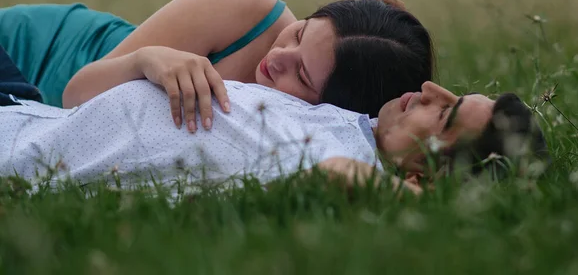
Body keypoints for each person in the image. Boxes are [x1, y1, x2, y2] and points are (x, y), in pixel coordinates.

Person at [0, 74, 549, 195]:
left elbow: (332, 174)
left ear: (419, 174)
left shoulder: (341, 158)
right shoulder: (344, 121)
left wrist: (406, 198)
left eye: (446, 116)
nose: (430, 87)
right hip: (27, 106)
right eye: (450, 91)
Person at [0, 0, 431, 132]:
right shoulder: (245, 9)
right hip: (43, 55)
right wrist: (145, 61)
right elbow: (74, 98)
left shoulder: (317, 132)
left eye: (300, 74)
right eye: (300, 32)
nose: (279, 56)